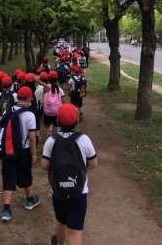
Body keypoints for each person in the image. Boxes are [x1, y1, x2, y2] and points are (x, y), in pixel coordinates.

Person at [42, 104, 98, 245]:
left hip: (58, 190)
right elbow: (94, 164)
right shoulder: (84, 139)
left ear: (58, 121)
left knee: (61, 221)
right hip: (79, 191)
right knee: (75, 230)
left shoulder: (51, 140)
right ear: (76, 121)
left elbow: (44, 165)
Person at [0, 86, 40, 221]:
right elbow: (32, 137)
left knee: (8, 178)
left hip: (8, 150)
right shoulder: (30, 115)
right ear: (28, 98)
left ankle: (6, 210)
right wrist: (34, 154)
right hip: (23, 151)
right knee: (25, 175)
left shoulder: (8, 110)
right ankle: (29, 200)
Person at [43, 70, 65, 134]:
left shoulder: (45, 88)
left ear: (48, 79)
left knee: (47, 126)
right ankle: (56, 137)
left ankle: (49, 135)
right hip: (57, 112)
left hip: (47, 111)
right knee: (57, 126)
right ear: (57, 80)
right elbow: (63, 101)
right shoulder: (60, 89)